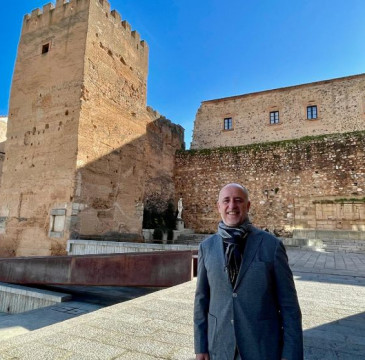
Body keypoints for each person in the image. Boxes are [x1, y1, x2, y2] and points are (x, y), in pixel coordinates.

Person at [194, 183, 303, 360]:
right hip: (220, 346)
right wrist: (200, 347)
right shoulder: (206, 247)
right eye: (226, 201)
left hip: (262, 348)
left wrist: (291, 355)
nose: (232, 206)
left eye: (238, 200)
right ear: (218, 206)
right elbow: (201, 300)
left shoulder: (271, 246)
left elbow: (289, 307)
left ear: (248, 205)